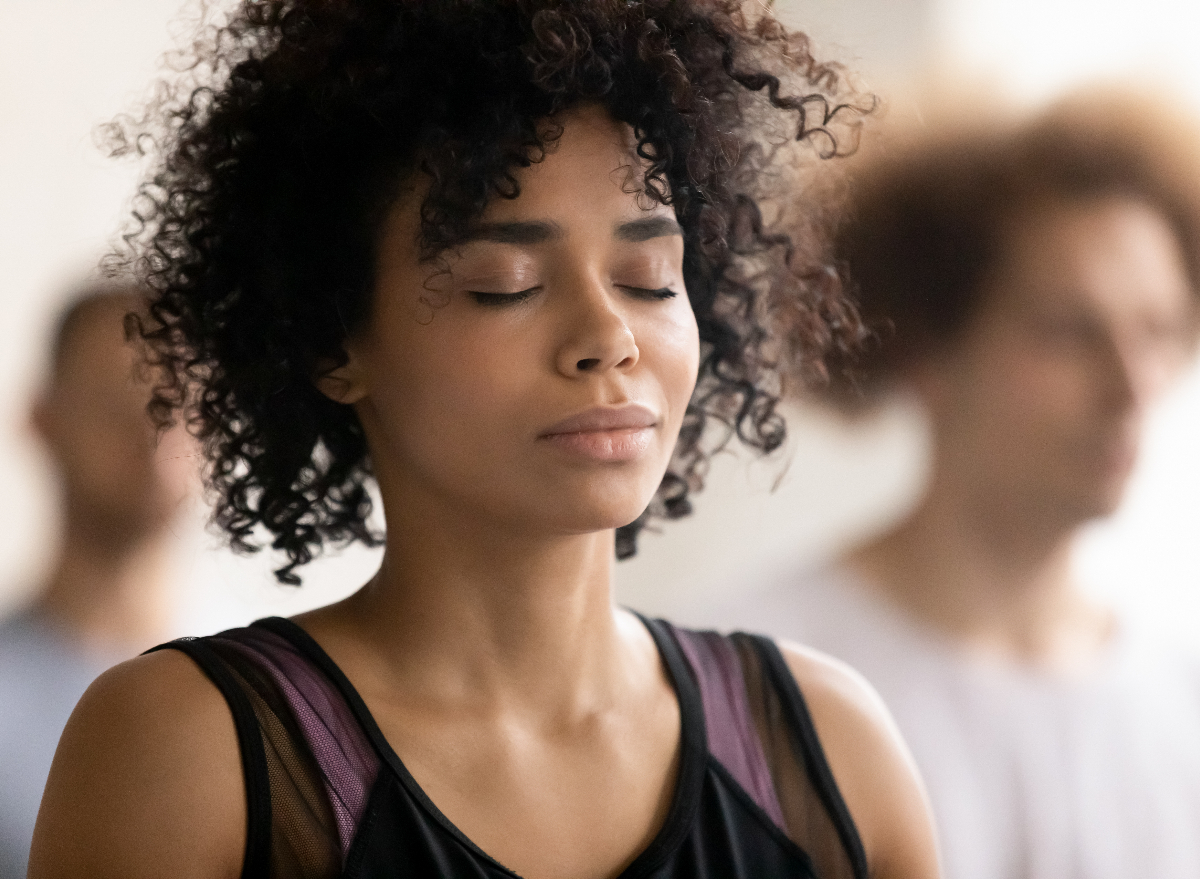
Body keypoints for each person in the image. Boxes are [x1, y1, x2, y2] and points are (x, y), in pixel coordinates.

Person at [29, 3, 939, 878]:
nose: (609, 337)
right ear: (331, 343)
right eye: (506, 284)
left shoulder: (832, 759)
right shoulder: (193, 758)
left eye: (650, 279)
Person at [719, 91, 1200, 879]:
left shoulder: (1184, 700)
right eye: (1070, 330)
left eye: (1158, 329)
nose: (1132, 385)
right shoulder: (754, 681)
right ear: (928, 352)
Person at [0, 283, 193, 879]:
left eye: (176, 405)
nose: (151, 434)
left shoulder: (263, 696)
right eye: (115, 402)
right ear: (43, 420)